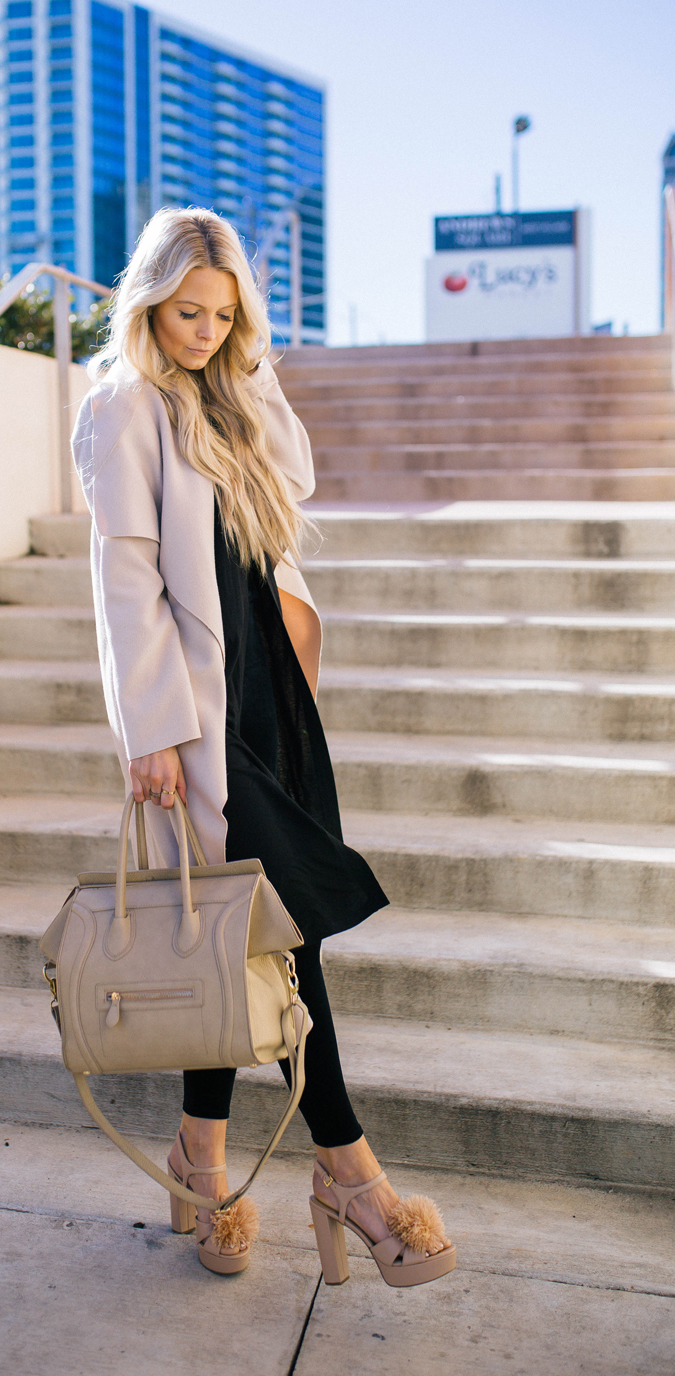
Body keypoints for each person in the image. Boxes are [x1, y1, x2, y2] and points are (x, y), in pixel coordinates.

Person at [72, 206, 455, 1288]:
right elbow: (123, 581)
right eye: (186, 312)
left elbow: (298, 473)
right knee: (282, 937)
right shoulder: (120, 407)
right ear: (147, 300)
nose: (200, 330)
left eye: (221, 314)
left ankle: (200, 1159)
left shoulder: (223, 394)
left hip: (273, 697)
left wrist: (248, 366)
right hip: (199, 716)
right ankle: (354, 1180)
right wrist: (148, 731)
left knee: (243, 936)